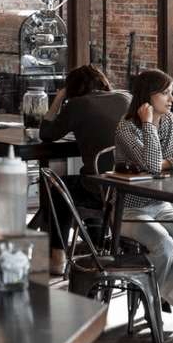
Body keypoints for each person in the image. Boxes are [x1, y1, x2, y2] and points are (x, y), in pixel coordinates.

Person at [114, 69, 173, 309]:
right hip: (127, 210)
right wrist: (147, 123)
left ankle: (162, 294)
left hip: (160, 204)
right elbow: (152, 165)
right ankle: (158, 300)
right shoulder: (127, 128)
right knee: (165, 246)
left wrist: (169, 163)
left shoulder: (168, 120)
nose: (172, 99)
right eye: (165, 93)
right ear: (147, 96)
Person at [40, 64, 132, 275]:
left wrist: (59, 97)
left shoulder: (77, 106)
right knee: (91, 178)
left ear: (72, 89)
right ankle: (97, 241)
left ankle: (57, 258)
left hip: (102, 192)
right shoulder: (125, 98)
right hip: (132, 189)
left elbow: (46, 134)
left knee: (60, 188)